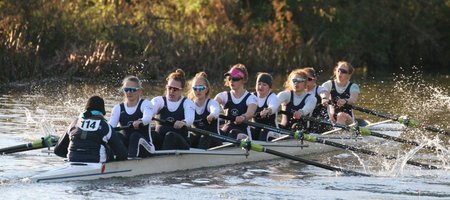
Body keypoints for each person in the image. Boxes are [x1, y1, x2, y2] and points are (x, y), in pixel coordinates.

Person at [54, 96, 127, 162]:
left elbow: (57, 151)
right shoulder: (105, 126)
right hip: (96, 162)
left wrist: (77, 155)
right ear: (102, 112)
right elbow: (122, 154)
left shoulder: (74, 123)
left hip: (73, 160)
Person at [109, 76, 158, 158]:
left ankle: (130, 162)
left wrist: (141, 121)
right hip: (128, 146)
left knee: (135, 136)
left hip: (147, 148)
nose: (128, 92)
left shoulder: (146, 104)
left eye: (132, 90)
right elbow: (111, 126)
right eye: (126, 90)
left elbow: (148, 117)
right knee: (116, 135)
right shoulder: (118, 108)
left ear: (139, 91)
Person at [152, 69, 195, 150]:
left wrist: (183, 122)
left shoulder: (187, 103)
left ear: (181, 90)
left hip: (181, 143)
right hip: (161, 141)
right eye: (169, 88)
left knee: (170, 135)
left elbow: (190, 118)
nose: (171, 91)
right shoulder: (159, 100)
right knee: (152, 134)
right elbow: (150, 110)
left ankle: (163, 160)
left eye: (175, 89)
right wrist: (145, 117)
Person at [214, 64, 257, 140]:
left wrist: (243, 117)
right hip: (227, 129)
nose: (231, 81)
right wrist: (211, 112)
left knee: (233, 133)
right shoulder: (223, 96)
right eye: (230, 78)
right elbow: (212, 105)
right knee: (214, 132)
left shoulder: (251, 98)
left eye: (235, 78)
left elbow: (250, 112)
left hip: (243, 133)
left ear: (243, 80)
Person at [187, 72, 222, 149]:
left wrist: (212, 115)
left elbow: (215, 110)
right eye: (195, 88)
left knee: (205, 136)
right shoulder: (189, 105)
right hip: (198, 139)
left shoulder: (212, 102)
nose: (198, 90)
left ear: (206, 89)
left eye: (201, 88)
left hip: (214, 141)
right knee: (188, 137)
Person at [321, 61, 360, 125]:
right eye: (339, 70)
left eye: (343, 71)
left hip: (348, 120)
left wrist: (345, 100)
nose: (340, 73)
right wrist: (324, 98)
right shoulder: (328, 84)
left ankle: (338, 132)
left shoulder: (353, 86)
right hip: (331, 117)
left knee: (341, 115)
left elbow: (353, 99)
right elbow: (323, 92)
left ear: (349, 75)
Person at [252, 72, 281, 141]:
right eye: (259, 84)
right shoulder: (251, 96)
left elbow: (273, 106)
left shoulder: (273, 97)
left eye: (264, 85)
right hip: (256, 129)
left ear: (269, 88)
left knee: (264, 132)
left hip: (272, 131)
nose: (260, 87)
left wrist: (268, 110)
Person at [303, 67, 332, 133]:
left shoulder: (320, 89)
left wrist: (324, 98)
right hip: (304, 122)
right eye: (304, 79)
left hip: (319, 124)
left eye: (309, 79)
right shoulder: (299, 92)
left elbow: (324, 93)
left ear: (314, 79)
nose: (306, 81)